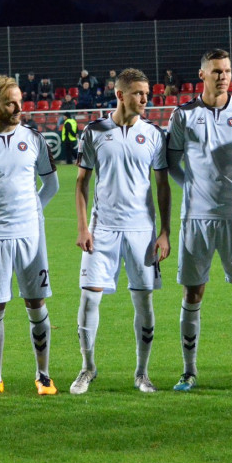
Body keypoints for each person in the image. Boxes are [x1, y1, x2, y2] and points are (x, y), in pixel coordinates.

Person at [166, 49, 232, 390]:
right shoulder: (183, 116)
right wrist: (194, 190)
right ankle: (188, 370)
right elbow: (172, 164)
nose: (223, 76)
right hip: (196, 216)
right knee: (193, 292)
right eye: (216, 71)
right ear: (202, 75)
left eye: (227, 70)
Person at [70, 69, 171, 395]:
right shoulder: (95, 131)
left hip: (142, 231)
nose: (145, 99)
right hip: (104, 230)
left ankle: (142, 374)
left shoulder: (154, 134)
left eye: (147, 93)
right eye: (139, 93)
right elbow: (81, 183)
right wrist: (83, 227)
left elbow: (163, 186)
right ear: (120, 95)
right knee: (89, 299)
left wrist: (165, 232)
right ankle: (88, 368)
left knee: (144, 304)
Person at [0, 75, 60, 397]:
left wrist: (31, 213)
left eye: (20, 100)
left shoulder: (33, 139)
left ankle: (43, 376)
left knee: (36, 302)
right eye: (10, 103)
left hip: (30, 234)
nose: (19, 107)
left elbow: (52, 185)